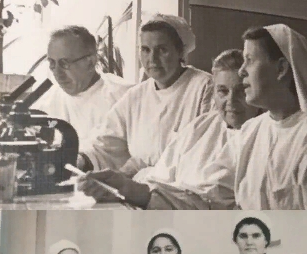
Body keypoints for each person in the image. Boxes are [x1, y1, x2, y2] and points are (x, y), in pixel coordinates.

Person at [77, 49, 261, 210]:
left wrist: (132, 189)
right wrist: (117, 183)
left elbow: (209, 207)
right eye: (223, 91)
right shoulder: (202, 125)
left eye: (241, 91)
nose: (231, 101)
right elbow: (160, 175)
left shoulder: (260, 138)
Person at [210, 24, 307, 209]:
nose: (241, 71)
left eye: (249, 60)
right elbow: (215, 192)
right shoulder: (250, 130)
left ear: (281, 69)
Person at [78, 14, 213, 177]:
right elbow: (105, 141)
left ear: (180, 51)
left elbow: (203, 154)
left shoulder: (205, 87)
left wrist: (137, 175)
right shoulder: (136, 96)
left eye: (162, 50)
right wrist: (80, 159)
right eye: (146, 50)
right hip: (139, 186)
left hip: (181, 187)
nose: (152, 59)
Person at [34, 26, 133, 149]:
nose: (57, 73)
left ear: (90, 62)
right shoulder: (47, 101)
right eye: (52, 63)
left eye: (64, 63)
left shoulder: (125, 97)